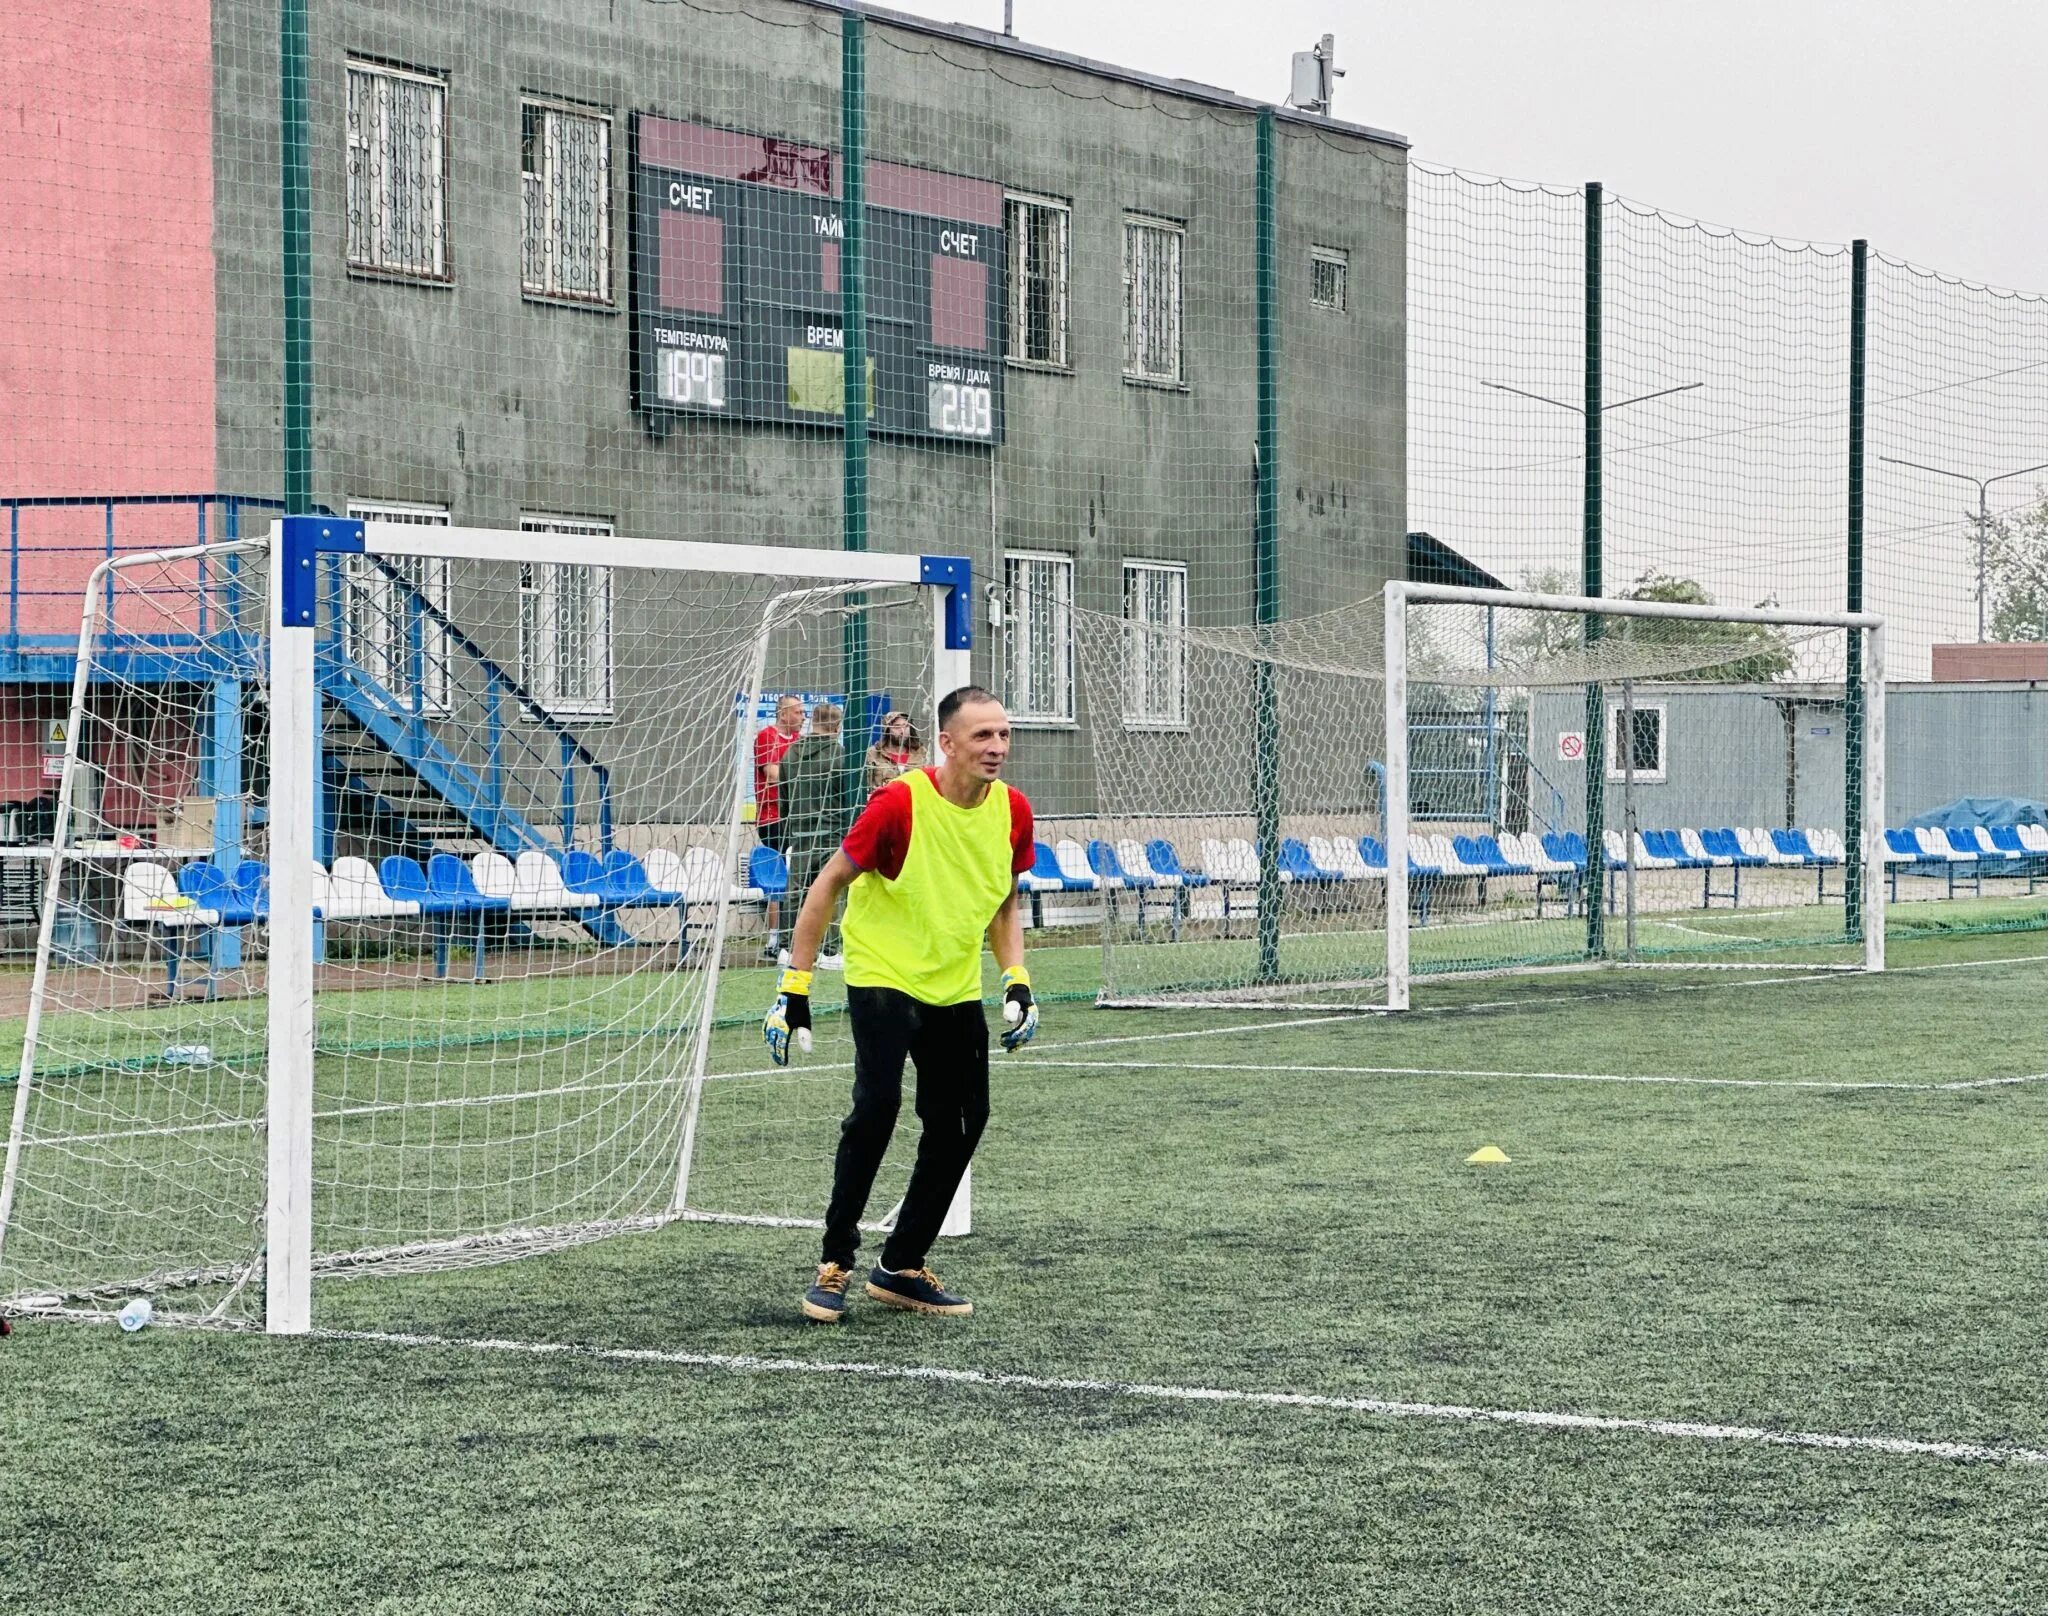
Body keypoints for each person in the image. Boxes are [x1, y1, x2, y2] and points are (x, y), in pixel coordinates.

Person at [763, 685, 1039, 1323]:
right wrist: (794, 987)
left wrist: (1016, 977)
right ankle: (835, 1263)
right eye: (982, 736)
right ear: (946, 744)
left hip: (953, 983)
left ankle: (902, 1266)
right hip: (882, 973)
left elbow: (1003, 899)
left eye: (1002, 734)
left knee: (964, 1118)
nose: (996, 747)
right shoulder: (898, 803)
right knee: (877, 1108)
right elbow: (827, 882)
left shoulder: (1014, 811)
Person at [776, 701, 858, 965]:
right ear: (837, 726)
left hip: (799, 832)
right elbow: (850, 800)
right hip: (832, 832)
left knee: (796, 891)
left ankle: (787, 948)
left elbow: (784, 798)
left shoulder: (790, 754)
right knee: (832, 890)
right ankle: (830, 950)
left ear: (813, 721)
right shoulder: (842, 755)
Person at [752, 694, 804, 961]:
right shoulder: (766, 736)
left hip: (799, 818)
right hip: (772, 818)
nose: (802, 717)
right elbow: (772, 774)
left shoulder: (801, 742)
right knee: (778, 877)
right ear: (783, 714)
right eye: (798, 712)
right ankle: (774, 940)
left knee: (801, 876)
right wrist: (805, 777)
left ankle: (799, 936)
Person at [863, 710, 925, 798]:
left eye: (906, 726)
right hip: (884, 805)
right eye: (897, 727)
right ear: (887, 730)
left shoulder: (921, 753)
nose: (902, 731)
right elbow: (865, 786)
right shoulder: (873, 754)